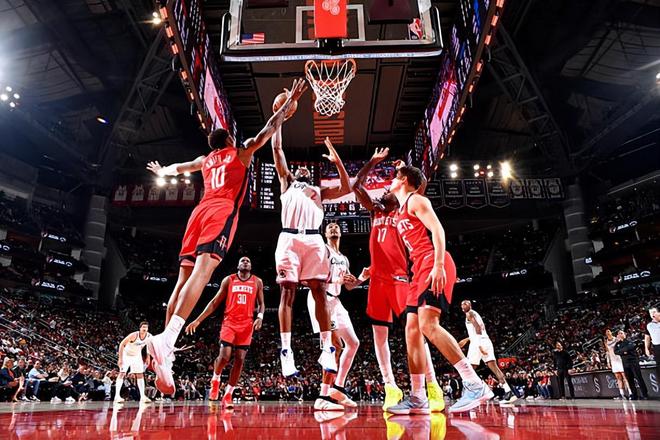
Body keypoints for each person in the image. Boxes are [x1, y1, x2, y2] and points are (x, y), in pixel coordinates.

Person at [145, 79, 307, 395]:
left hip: (198, 212)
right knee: (203, 273)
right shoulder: (240, 152)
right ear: (229, 140)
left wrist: (162, 170)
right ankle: (167, 340)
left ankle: (166, 346)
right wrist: (287, 107)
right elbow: (267, 132)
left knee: (183, 280)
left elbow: (179, 168)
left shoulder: (205, 160)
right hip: (220, 210)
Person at [385, 165, 491, 415]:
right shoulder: (401, 209)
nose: (390, 180)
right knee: (411, 332)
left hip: (432, 263)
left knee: (428, 325)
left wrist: (439, 265)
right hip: (417, 270)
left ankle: (474, 384)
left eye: (395, 177)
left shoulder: (416, 200)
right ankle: (417, 396)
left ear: (404, 180)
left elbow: (438, 229)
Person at [352, 149, 444, 412]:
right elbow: (356, 185)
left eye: (388, 189)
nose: (383, 192)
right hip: (377, 282)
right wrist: (373, 161)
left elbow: (418, 184)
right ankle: (390, 387)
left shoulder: (405, 210)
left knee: (415, 333)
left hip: (400, 279)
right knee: (379, 335)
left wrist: (404, 169)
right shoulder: (375, 212)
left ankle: (432, 385)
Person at [271, 124, 351, 396]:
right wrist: (279, 120)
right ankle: (286, 350)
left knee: (320, 290)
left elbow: (346, 187)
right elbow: (277, 148)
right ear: (295, 174)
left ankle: (327, 347)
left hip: (315, 239)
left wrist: (336, 160)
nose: (303, 170)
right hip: (289, 238)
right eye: (300, 169)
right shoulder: (286, 183)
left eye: (307, 169)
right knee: (287, 293)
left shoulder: (318, 191)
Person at [185, 256, 265, 408]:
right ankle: (216, 379)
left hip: (246, 324)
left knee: (240, 358)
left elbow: (261, 304)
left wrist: (260, 317)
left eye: (248, 261)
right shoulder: (229, 280)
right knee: (225, 356)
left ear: (251, 266)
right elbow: (215, 302)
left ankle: (228, 394)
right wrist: (198, 320)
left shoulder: (257, 282)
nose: (245, 262)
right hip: (230, 322)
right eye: (242, 260)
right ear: (238, 265)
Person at [306, 222, 360, 409]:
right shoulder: (323, 250)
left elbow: (349, 286)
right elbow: (313, 277)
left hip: (336, 301)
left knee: (353, 343)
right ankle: (322, 397)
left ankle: (338, 388)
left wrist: (362, 277)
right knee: (335, 346)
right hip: (321, 299)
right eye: (330, 227)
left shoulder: (344, 258)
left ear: (341, 233)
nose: (334, 229)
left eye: (336, 227)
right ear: (325, 233)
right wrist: (338, 279)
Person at [458, 300, 517, 404]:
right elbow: (477, 331)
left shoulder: (469, 313)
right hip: (486, 341)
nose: (463, 305)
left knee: (469, 369)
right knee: (495, 368)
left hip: (478, 343)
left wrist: (479, 345)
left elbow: (478, 328)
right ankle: (509, 392)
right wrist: (467, 339)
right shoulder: (475, 314)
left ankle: (472, 394)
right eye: (462, 304)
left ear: (470, 305)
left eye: (465, 304)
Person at [115, 321, 152, 403]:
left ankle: (143, 396)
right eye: (143, 327)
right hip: (127, 354)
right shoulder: (134, 335)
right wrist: (120, 358)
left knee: (140, 374)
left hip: (137, 355)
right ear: (140, 328)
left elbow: (149, 345)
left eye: (146, 327)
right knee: (122, 373)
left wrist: (148, 356)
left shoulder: (149, 336)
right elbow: (122, 344)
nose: (145, 328)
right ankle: (117, 396)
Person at [614, 330, 649, 400]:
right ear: (617, 336)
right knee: (630, 379)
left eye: (622, 333)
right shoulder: (617, 344)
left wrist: (622, 351)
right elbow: (616, 352)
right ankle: (634, 395)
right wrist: (624, 351)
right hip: (625, 363)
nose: (621, 334)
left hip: (633, 362)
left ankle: (645, 394)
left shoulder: (630, 340)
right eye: (619, 333)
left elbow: (631, 347)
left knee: (639, 378)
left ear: (624, 334)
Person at [604, 329, 630, 400]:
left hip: (619, 359)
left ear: (611, 332)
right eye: (606, 332)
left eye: (609, 331)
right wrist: (608, 362)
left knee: (625, 377)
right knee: (618, 377)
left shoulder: (616, 339)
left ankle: (630, 393)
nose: (608, 332)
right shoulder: (606, 342)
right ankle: (622, 394)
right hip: (613, 361)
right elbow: (607, 352)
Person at [644, 307, 660, 383]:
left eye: (654, 312)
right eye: (651, 313)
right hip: (657, 348)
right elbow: (647, 337)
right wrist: (646, 348)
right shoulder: (649, 325)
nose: (652, 314)